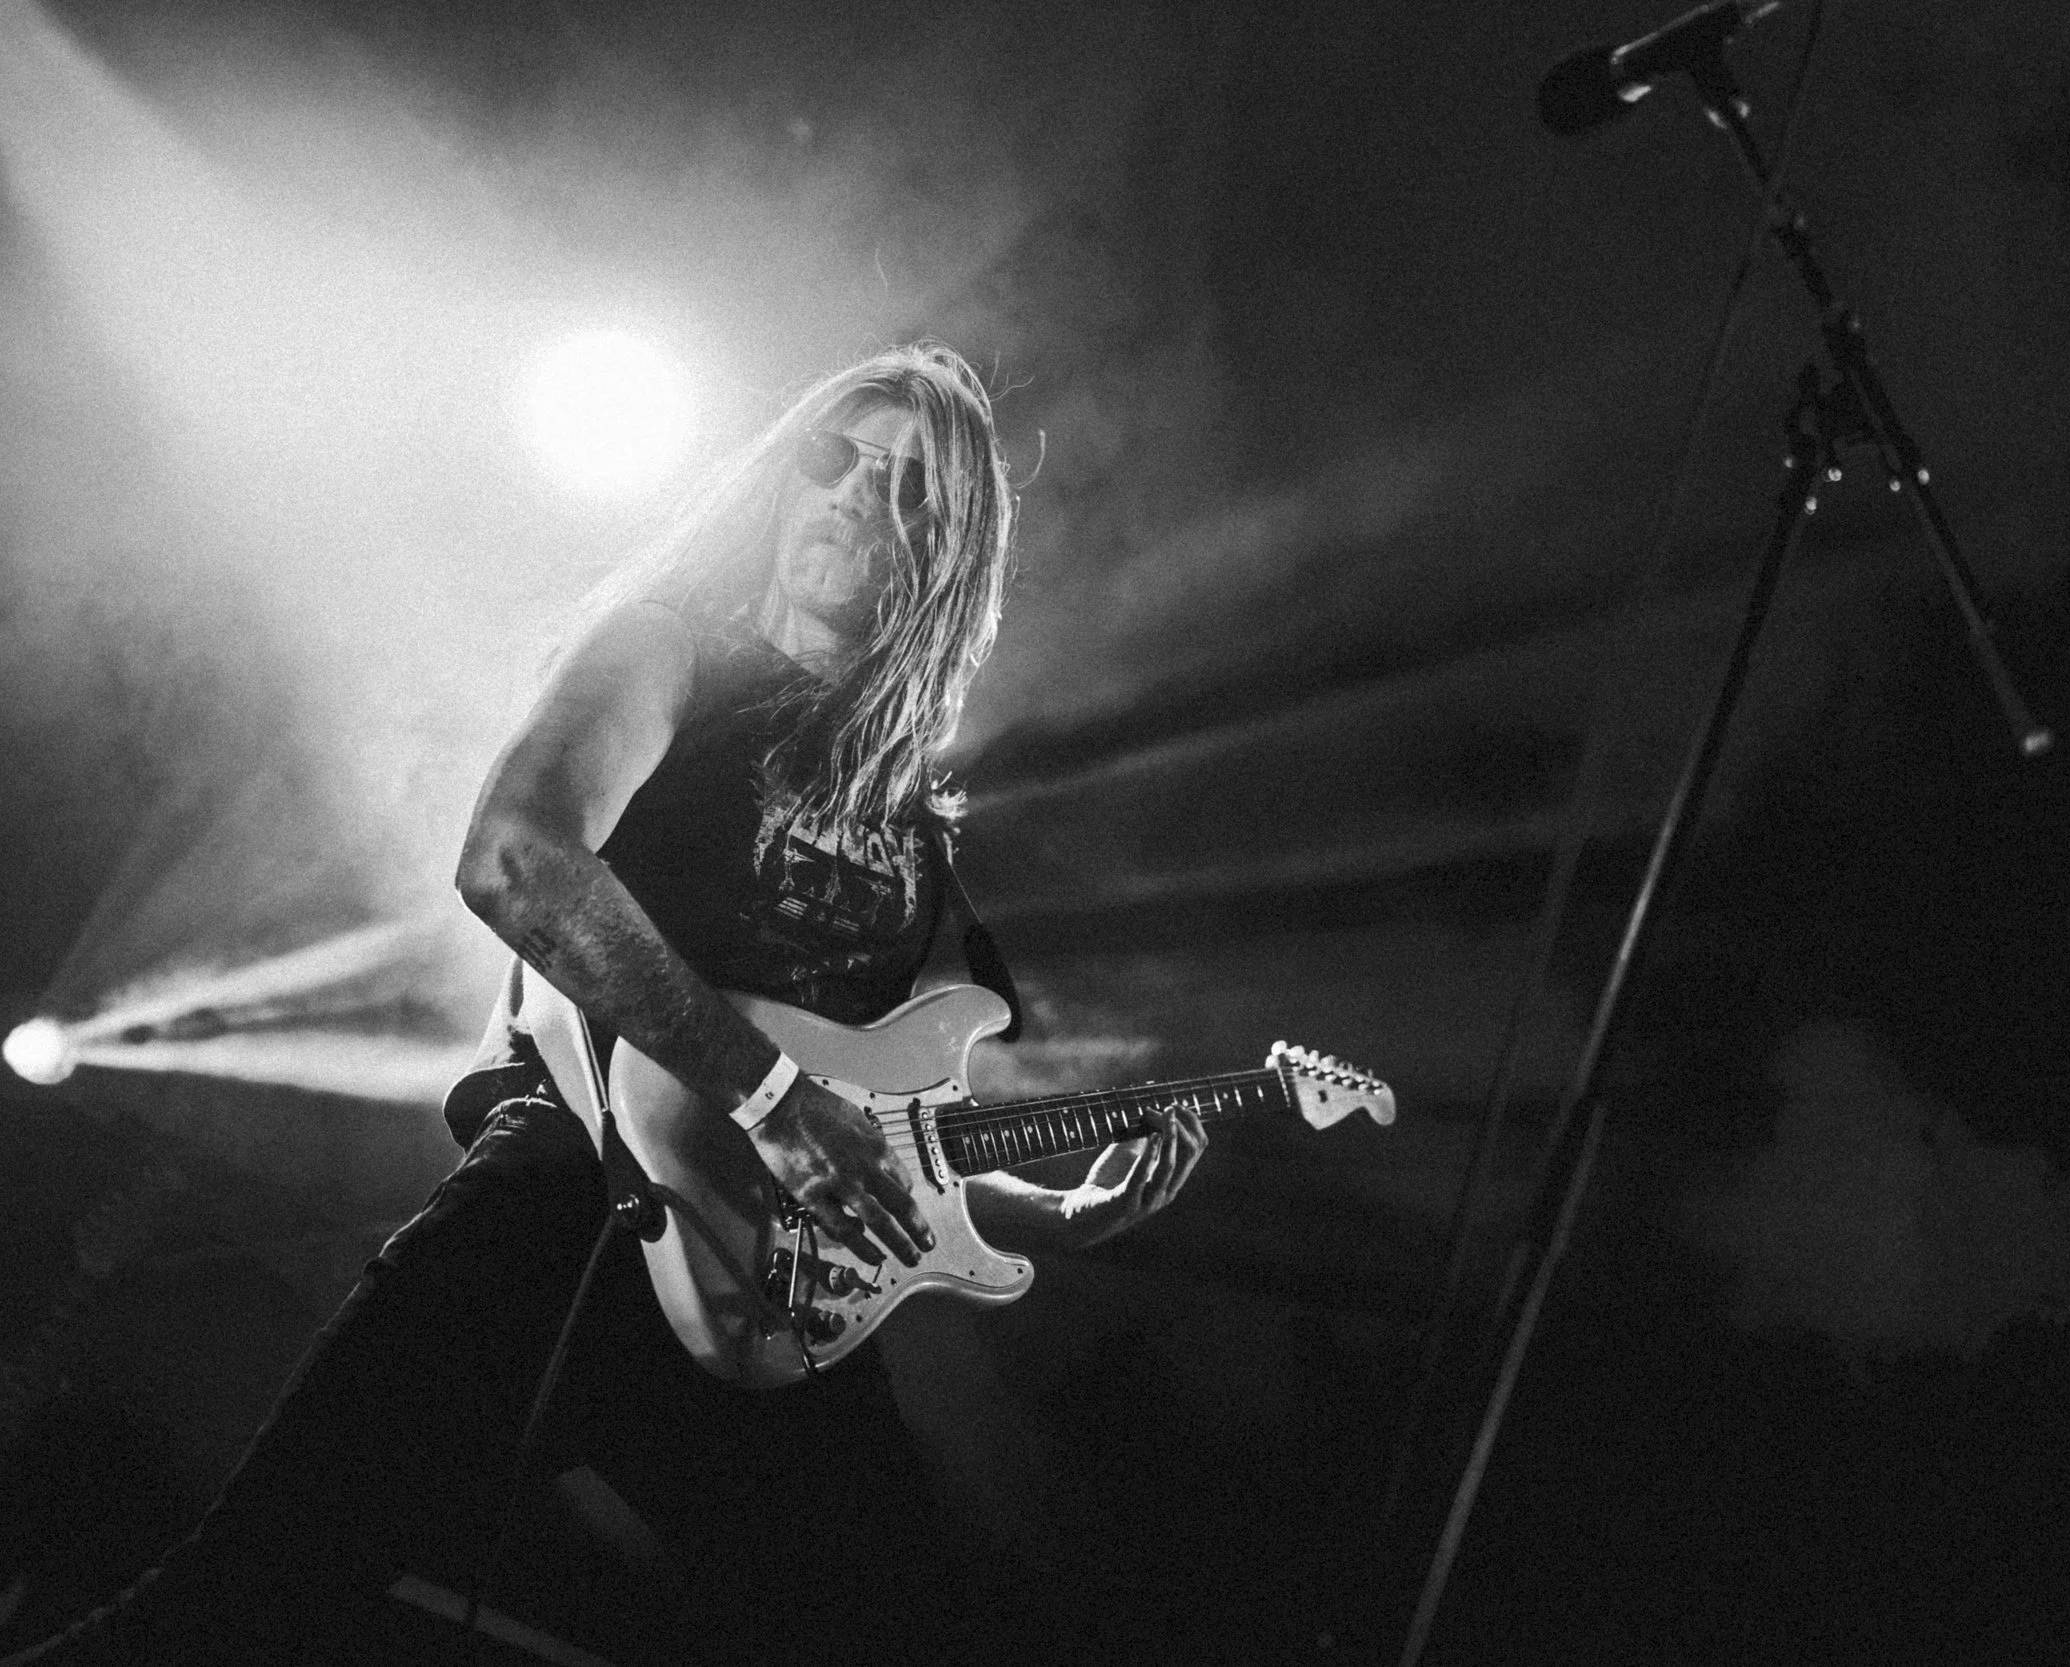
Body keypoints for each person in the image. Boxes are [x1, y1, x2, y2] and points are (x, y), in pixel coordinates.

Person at [5, 341, 1207, 1664]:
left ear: (955, 545)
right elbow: (517, 855)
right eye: (834, 458)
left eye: (905, 484)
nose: (857, 494)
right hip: (566, 1214)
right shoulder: (670, 652)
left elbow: (885, 1130)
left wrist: (1052, 1210)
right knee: (246, 1608)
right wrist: (766, 1092)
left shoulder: (913, 822)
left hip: (766, 1305)